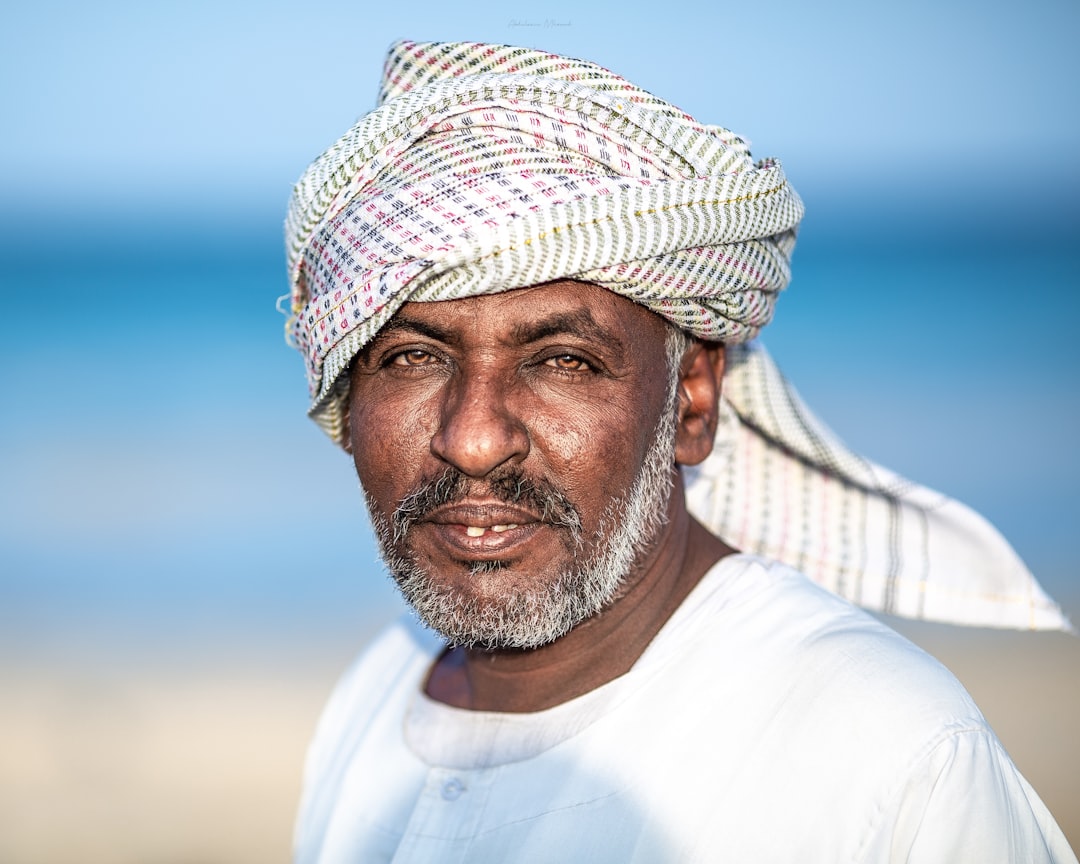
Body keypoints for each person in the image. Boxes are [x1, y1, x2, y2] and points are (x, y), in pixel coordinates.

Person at [282, 40, 1076, 862]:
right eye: (413, 358)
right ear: (350, 396)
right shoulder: (373, 696)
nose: (474, 440)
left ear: (692, 401)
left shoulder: (884, 748)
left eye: (563, 361)